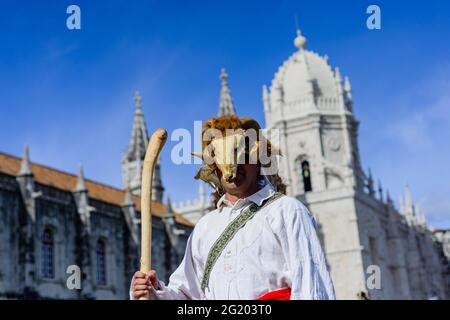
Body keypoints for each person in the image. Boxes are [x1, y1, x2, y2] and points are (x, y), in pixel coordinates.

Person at [131, 115, 335, 300]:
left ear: (258, 161)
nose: (233, 167)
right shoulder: (205, 227)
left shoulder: (287, 211)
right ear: (214, 167)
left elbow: (312, 287)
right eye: (222, 158)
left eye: (242, 155)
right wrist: (154, 293)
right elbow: (187, 295)